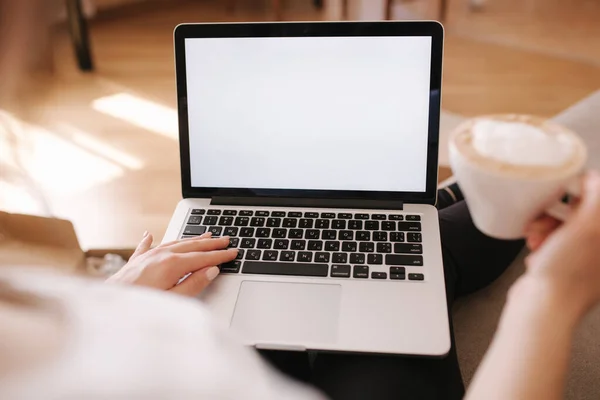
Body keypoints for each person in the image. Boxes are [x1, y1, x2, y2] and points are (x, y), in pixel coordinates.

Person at [2, 2, 600, 398]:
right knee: (428, 249)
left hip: (188, 296)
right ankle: (442, 204)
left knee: (417, 238)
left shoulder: (40, 327)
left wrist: (111, 302)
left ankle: (433, 207)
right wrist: (549, 297)